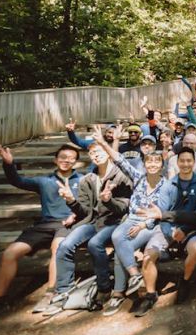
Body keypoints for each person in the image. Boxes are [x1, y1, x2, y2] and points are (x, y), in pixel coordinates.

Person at [0, 145, 84, 321]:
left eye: (71, 158)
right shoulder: (44, 181)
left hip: (68, 224)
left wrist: (75, 214)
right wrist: (9, 164)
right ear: (55, 159)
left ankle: (51, 292)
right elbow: (17, 181)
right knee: (10, 253)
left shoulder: (82, 180)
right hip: (44, 225)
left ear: (76, 162)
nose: (66, 160)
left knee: (57, 247)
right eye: (63, 157)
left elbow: (89, 204)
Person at [42, 134, 134, 316]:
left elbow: (124, 207)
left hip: (114, 222)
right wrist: (71, 201)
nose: (96, 155)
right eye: (92, 153)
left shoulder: (121, 176)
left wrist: (108, 201)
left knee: (95, 244)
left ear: (108, 153)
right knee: (64, 245)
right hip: (93, 222)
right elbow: (84, 211)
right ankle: (63, 290)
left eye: (99, 151)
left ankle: (104, 287)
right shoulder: (88, 180)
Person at [98, 138, 168, 316]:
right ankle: (135, 275)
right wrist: (103, 143)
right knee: (117, 237)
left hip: (151, 224)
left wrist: (145, 224)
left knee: (123, 245)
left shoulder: (166, 185)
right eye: (149, 161)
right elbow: (120, 160)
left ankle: (118, 292)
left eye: (156, 161)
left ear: (161, 165)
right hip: (131, 218)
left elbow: (163, 212)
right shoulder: (138, 177)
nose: (152, 164)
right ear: (144, 164)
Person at [139, 147, 196, 315]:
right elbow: (160, 213)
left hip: (190, 229)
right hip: (167, 228)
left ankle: (185, 281)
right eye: (182, 160)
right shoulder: (168, 185)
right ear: (177, 163)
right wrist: (171, 231)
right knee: (149, 255)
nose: (185, 164)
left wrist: (183, 229)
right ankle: (150, 294)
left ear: (194, 162)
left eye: (188, 160)